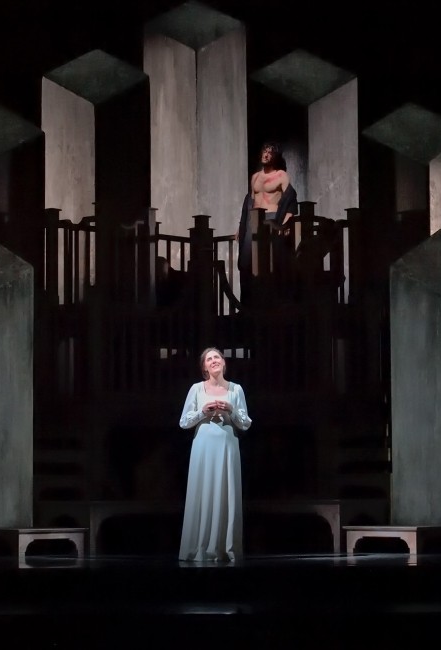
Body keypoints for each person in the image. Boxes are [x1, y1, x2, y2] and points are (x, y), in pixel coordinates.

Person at [178, 347, 252, 562]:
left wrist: (231, 409)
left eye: (217, 357)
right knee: (204, 490)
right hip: (203, 446)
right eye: (209, 359)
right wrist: (203, 411)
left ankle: (224, 547)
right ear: (204, 366)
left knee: (225, 491)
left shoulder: (236, 390)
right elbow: (183, 422)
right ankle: (199, 546)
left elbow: (245, 423)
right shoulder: (196, 389)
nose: (213, 361)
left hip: (227, 446)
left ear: (224, 362)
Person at [237, 142, 298, 304]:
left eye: (270, 152)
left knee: (270, 262)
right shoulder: (255, 177)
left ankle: (271, 302)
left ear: (275, 156)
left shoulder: (281, 175)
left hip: (272, 219)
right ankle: (249, 302)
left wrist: (284, 223)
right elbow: (249, 202)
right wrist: (242, 227)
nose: (266, 154)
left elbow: (290, 199)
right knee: (247, 261)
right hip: (253, 220)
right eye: (264, 151)